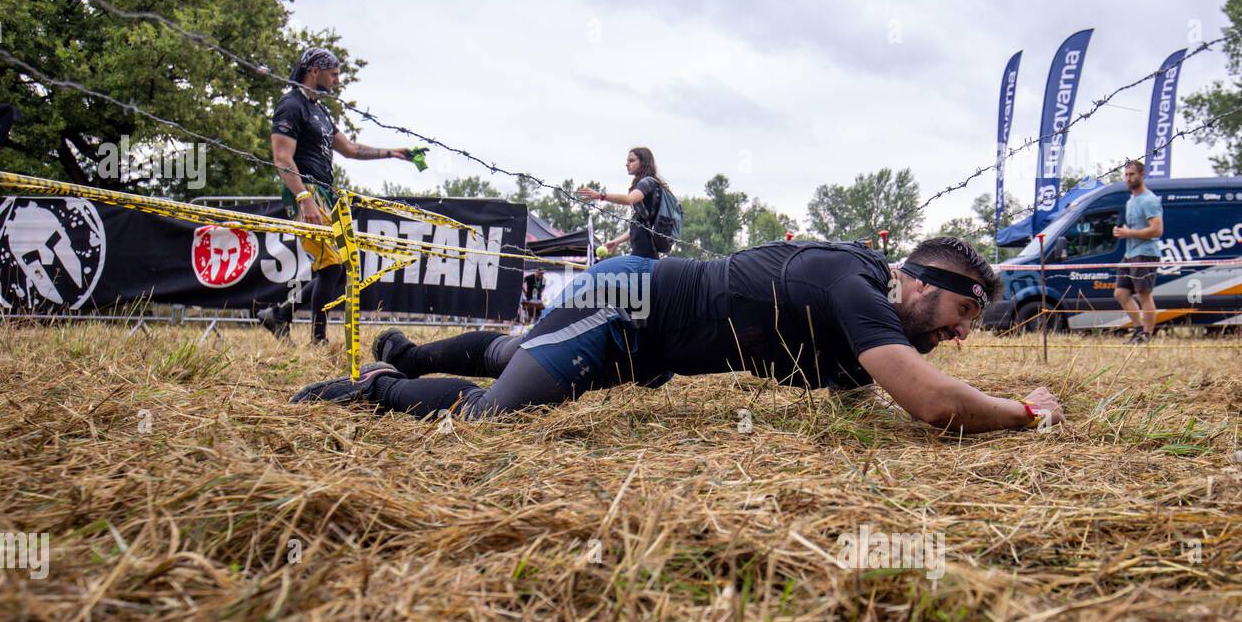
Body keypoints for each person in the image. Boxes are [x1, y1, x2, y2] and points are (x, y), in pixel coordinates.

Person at [292, 236, 1064, 433]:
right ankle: (376, 387)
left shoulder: (862, 318)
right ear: (924, 284)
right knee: (501, 413)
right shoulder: (856, 282)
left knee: (519, 356)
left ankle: (406, 352)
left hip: (648, 347)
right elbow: (931, 404)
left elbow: (883, 393)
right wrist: (1023, 413)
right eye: (964, 316)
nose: (964, 337)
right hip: (628, 300)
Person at [257, 47, 416, 343]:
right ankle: (319, 340)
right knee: (330, 266)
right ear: (314, 70)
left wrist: (393, 153)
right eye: (334, 74)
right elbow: (282, 158)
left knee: (340, 267)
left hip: (325, 193)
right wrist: (305, 199)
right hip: (305, 191)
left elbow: (350, 149)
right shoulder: (291, 105)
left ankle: (280, 316)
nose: (338, 81)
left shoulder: (319, 110)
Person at [575, 147, 667, 259]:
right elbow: (639, 224)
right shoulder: (647, 183)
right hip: (643, 249)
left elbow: (629, 199)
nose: (627, 164)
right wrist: (617, 241)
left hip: (645, 251)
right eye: (627, 161)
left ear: (643, 163)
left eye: (631, 161)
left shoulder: (647, 182)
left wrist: (601, 196)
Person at [1111, 159, 1164, 344]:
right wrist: (1121, 231)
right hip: (1130, 252)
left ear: (1142, 175)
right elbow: (1133, 228)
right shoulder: (1130, 201)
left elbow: (1157, 230)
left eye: (1131, 174)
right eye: (1126, 175)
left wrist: (1129, 232)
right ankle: (1139, 329)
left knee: (1144, 295)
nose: (1128, 178)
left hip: (1146, 253)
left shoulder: (1149, 200)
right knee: (1120, 293)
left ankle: (1147, 336)